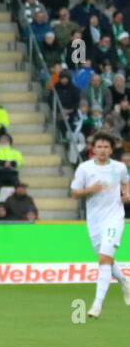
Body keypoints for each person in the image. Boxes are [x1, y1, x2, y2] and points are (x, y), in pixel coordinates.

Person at [69, 132, 130, 318]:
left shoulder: (119, 167)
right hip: (94, 221)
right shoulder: (84, 168)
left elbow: (126, 183)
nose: (102, 150)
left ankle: (97, 304)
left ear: (111, 149)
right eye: (99, 147)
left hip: (114, 218)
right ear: (93, 149)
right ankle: (125, 281)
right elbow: (75, 193)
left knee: (104, 259)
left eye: (106, 147)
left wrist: (127, 194)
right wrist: (90, 190)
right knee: (107, 259)